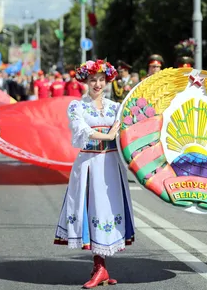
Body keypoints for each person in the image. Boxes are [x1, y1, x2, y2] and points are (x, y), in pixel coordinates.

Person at [54, 59, 135, 289]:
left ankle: (101, 267)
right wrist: (108, 136)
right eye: (93, 80)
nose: (97, 84)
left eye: (101, 79)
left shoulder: (116, 107)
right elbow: (81, 131)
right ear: (85, 82)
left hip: (111, 165)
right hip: (89, 164)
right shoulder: (77, 106)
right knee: (93, 211)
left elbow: (128, 131)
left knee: (108, 211)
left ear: (107, 80)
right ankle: (99, 267)